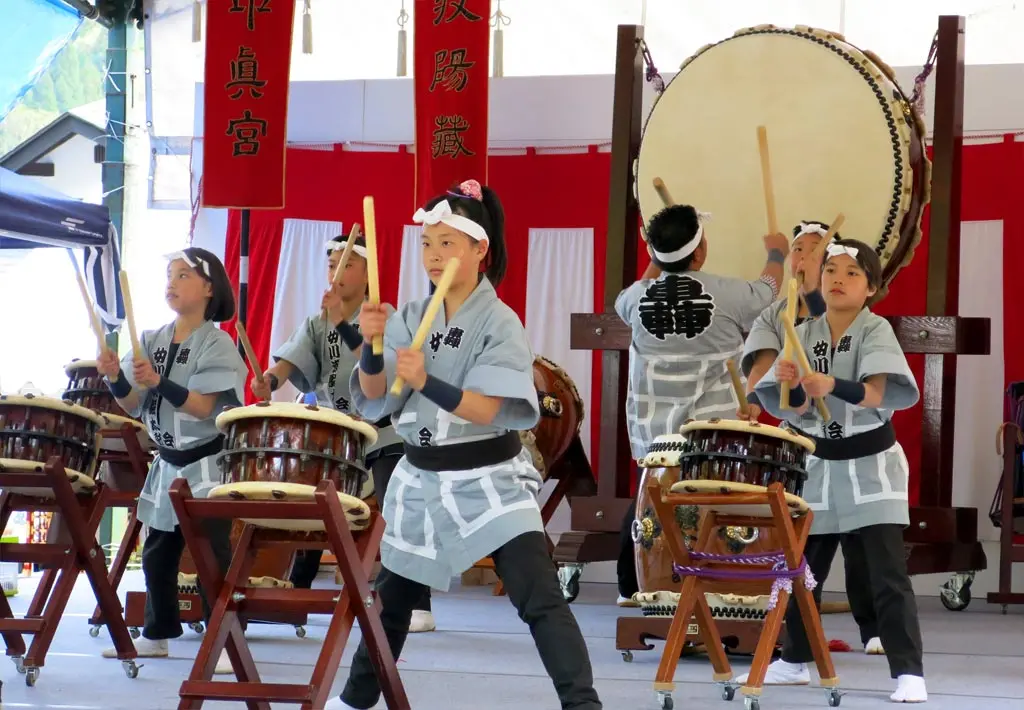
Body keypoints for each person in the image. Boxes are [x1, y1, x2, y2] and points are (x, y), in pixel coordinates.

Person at [325, 179, 602, 710]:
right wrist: (371, 346)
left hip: (489, 478)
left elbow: (494, 408)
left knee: (538, 595)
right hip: (422, 477)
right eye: (427, 244)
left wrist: (430, 382)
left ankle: (583, 704)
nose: (434, 256)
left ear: (481, 249)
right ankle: (355, 700)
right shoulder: (408, 314)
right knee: (392, 602)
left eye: (448, 243)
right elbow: (375, 396)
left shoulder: (500, 321)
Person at [745, 239, 927, 704]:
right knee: (804, 573)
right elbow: (795, 409)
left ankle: (908, 672)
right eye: (830, 271)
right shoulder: (801, 332)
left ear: (871, 287)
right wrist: (793, 389)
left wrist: (832, 384)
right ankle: (794, 660)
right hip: (818, 466)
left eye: (852, 272)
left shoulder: (876, 329)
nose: (838, 279)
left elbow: (877, 392)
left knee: (888, 575)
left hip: (872, 466)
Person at [253, 233, 433, 633]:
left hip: (383, 432)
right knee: (313, 499)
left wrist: (341, 322)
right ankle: (298, 590)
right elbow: (289, 358)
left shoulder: (386, 316)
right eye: (333, 265)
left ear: (369, 274)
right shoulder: (318, 322)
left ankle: (418, 599)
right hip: (339, 434)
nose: (337, 272)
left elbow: (373, 362)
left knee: (398, 509)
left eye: (348, 264)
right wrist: (269, 379)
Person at [612, 204, 790, 605]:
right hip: (712, 429)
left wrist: (657, 260)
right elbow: (768, 289)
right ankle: (723, 588)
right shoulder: (727, 294)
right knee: (713, 504)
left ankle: (635, 584)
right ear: (699, 252)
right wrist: (776, 253)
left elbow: (639, 288)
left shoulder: (634, 299)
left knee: (654, 498)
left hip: (656, 433)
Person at [95, 247, 245, 675]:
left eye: (182, 275)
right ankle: (157, 634)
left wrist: (159, 381)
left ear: (208, 288)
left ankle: (222, 639)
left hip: (207, 464)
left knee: (210, 553)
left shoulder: (218, 343)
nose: (171, 283)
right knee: (159, 552)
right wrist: (115, 377)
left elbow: (202, 408)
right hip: (168, 463)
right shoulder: (151, 339)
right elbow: (131, 406)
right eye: (169, 275)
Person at [740, 220, 884, 656]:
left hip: (852, 441)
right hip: (801, 442)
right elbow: (763, 376)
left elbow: (873, 386)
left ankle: (873, 626)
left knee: (860, 542)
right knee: (805, 548)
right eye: (798, 250)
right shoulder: (777, 314)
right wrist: (779, 383)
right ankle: (797, 645)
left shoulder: (856, 318)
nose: (805, 259)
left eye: (816, 250)